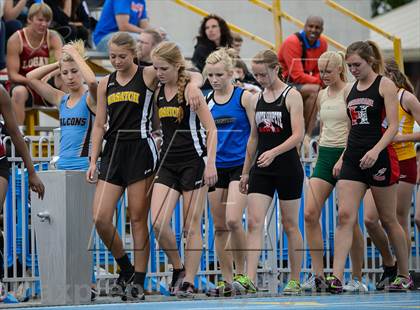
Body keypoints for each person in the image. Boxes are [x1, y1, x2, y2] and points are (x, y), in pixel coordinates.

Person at [86, 32, 203, 301]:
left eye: (122, 56)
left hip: (141, 148)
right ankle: (125, 267)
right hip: (113, 149)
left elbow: (187, 71)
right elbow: (98, 124)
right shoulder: (106, 83)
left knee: (138, 219)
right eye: (112, 56)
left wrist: (195, 85)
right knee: (101, 217)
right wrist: (93, 159)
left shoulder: (149, 74)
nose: (116, 61)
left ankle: (139, 279)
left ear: (134, 54)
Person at [326, 41, 412, 293]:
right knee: (345, 216)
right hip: (354, 157)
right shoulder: (351, 90)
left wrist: (376, 151)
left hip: (379, 157)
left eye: (357, 64)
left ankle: (403, 273)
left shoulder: (385, 85)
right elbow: (352, 128)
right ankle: (336, 277)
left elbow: (393, 126)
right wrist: (343, 157)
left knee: (388, 219)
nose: (352, 69)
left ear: (370, 61)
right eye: (349, 65)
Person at [150, 41, 217, 298]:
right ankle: (178, 267)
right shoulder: (158, 90)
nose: (159, 72)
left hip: (193, 161)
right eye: (156, 68)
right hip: (168, 162)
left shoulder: (191, 92)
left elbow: (211, 130)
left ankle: (189, 279)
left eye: (163, 68)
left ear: (177, 66)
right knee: (157, 223)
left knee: (191, 227)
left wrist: (210, 163)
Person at [236, 50, 305, 295]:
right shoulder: (257, 98)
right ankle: (249, 278)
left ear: (276, 68)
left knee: (289, 224)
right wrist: (245, 172)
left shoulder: (292, 95)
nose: (260, 79)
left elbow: (298, 134)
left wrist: (274, 152)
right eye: (255, 75)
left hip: (287, 167)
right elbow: (254, 138)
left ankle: (295, 279)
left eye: (263, 74)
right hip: (262, 168)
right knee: (254, 222)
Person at [302, 51, 367, 293]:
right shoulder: (321, 94)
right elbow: (325, 126)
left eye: (328, 71)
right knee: (310, 213)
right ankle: (318, 274)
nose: (324, 75)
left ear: (340, 69)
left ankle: (357, 275)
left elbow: (354, 128)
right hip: (325, 154)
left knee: (347, 218)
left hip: (346, 153)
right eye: (320, 71)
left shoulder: (350, 91)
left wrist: (343, 157)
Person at [363, 58, 420, 290]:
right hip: (382, 160)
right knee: (369, 218)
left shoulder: (405, 97)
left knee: (399, 218)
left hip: (405, 160)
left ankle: (404, 273)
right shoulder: (376, 97)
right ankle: (390, 262)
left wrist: (400, 138)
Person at [202, 48, 254, 297]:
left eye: (219, 74)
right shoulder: (207, 101)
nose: (215, 79)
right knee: (220, 226)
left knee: (234, 220)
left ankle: (243, 274)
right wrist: (208, 163)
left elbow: (255, 134)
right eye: (211, 75)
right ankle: (226, 279)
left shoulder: (244, 98)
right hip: (216, 166)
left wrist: (248, 169)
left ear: (231, 73)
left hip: (238, 165)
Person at [27, 41, 97, 171]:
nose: (70, 77)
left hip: (85, 165)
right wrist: (58, 64)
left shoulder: (90, 98)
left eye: (74, 71)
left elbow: (92, 82)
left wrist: (76, 56)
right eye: (65, 73)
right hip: (62, 163)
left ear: (82, 70)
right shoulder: (61, 99)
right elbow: (30, 78)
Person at [6, 2, 62, 125]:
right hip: (25, 85)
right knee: (18, 92)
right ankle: (18, 135)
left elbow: (62, 64)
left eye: (47, 21)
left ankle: (71, 128)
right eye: (40, 20)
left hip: (45, 83)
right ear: (29, 19)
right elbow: (13, 75)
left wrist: (51, 75)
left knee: (66, 80)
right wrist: (33, 81)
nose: (44, 24)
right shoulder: (16, 39)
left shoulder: (52, 36)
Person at [277, 15, 328, 133]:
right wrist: (321, 81)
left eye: (317, 27)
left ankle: (307, 137)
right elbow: (296, 75)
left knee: (320, 89)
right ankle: (304, 134)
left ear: (322, 30)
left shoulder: (322, 43)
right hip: (284, 82)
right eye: (310, 26)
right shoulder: (293, 42)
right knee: (315, 90)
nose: (313, 30)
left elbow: (318, 70)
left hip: (301, 82)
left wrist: (321, 79)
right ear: (304, 26)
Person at [0, 0, 26, 70]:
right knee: (7, 24)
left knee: (16, 25)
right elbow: (9, 17)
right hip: (5, 29)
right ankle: (2, 64)